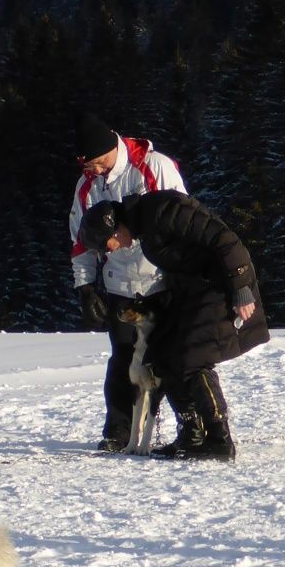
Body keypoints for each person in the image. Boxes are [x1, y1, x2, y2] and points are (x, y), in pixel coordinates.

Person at [77, 192, 269, 460]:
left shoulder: (161, 212)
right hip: (194, 291)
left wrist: (241, 288)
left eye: (106, 245)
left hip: (220, 287)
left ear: (114, 227)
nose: (110, 250)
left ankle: (219, 439)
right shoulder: (144, 227)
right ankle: (192, 433)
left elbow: (224, 239)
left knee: (193, 357)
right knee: (163, 353)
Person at [67, 111, 187, 452]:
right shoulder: (87, 185)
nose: (89, 171)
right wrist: (85, 286)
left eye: (92, 163)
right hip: (119, 284)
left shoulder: (153, 167)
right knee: (123, 359)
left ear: (107, 151)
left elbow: (182, 218)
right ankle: (117, 431)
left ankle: (189, 426)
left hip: (160, 282)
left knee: (172, 358)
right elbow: (80, 239)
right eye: (84, 166)